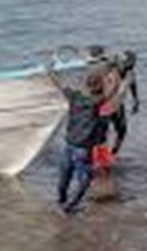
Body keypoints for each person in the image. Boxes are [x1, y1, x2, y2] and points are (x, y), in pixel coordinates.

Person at [47, 68, 110, 214]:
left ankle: (61, 200)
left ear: (87, 86)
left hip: (68, 145)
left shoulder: (75, 98)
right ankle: (69, 208)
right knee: (84, 182)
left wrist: (52, 74)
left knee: (64, 177)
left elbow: (61, 86)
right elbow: (110, 95)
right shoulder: (96, 102)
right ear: (99, 87)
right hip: (83, 149)